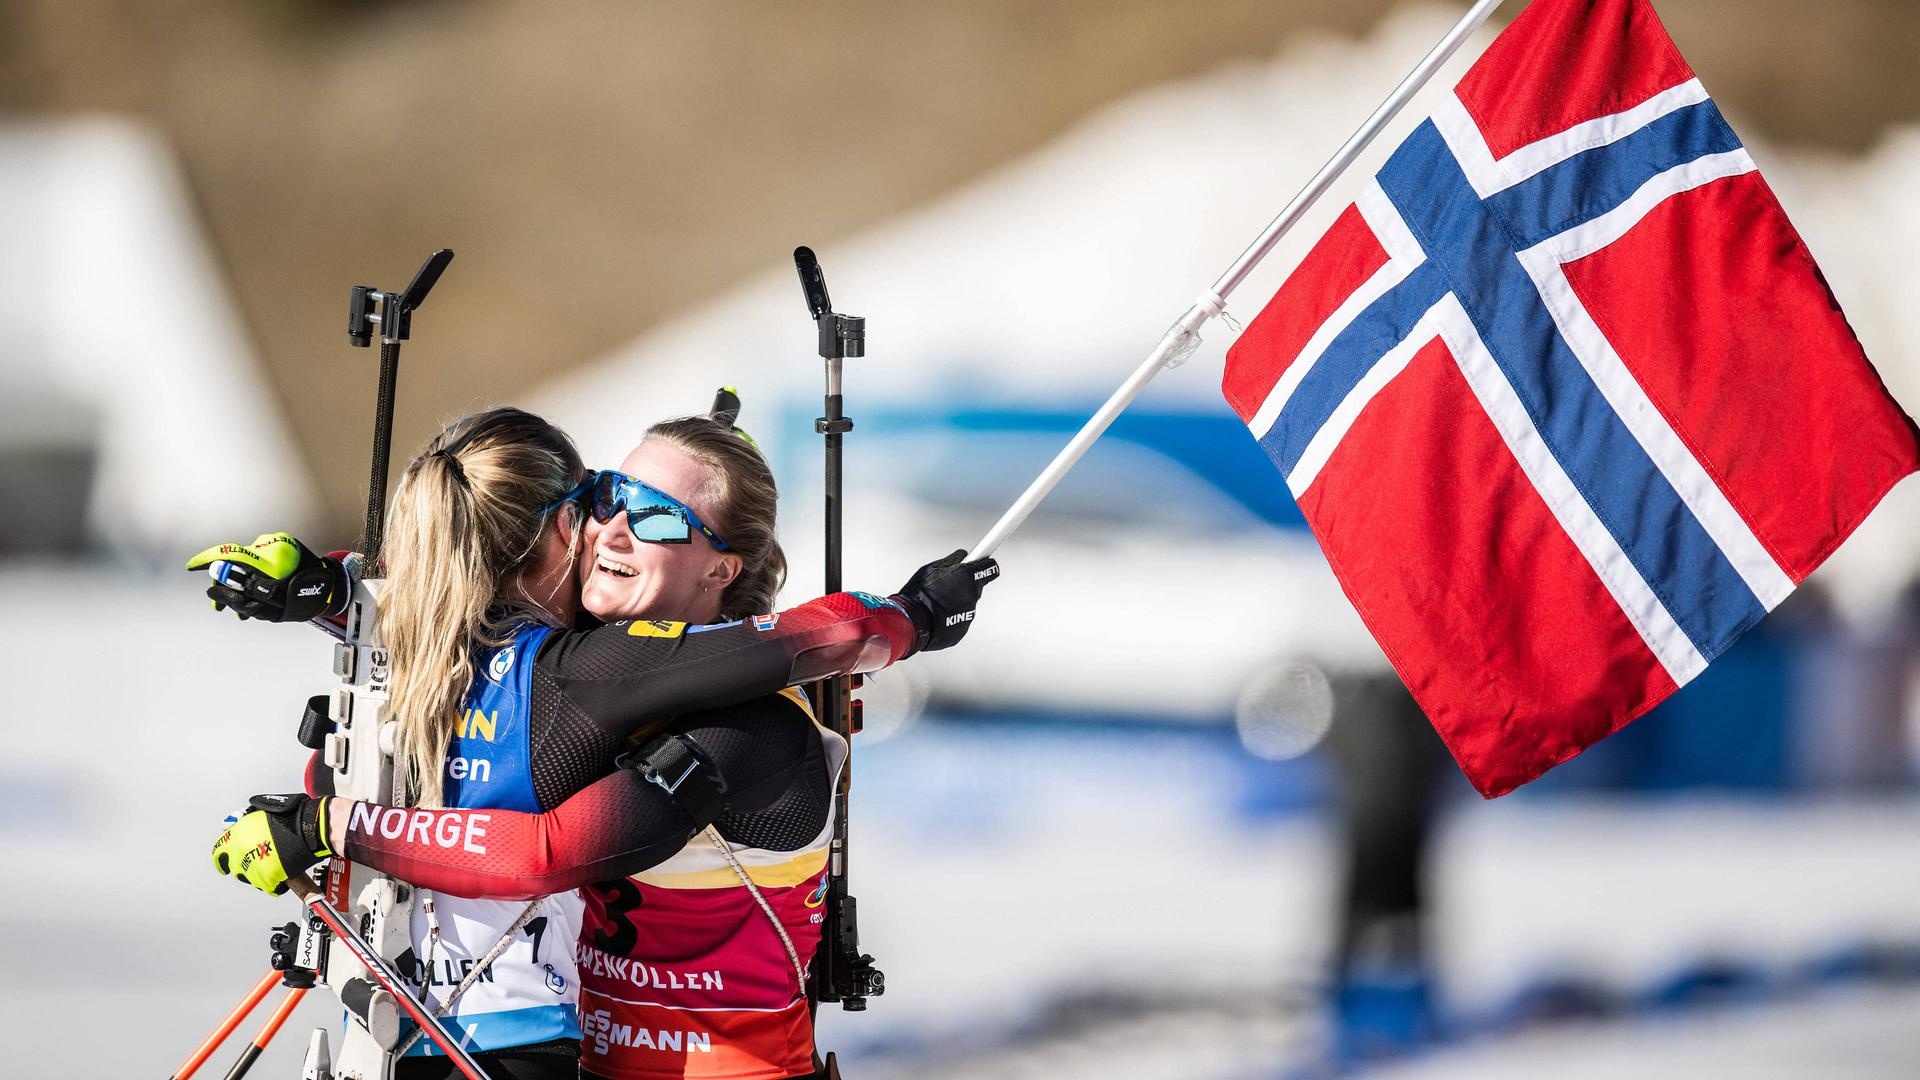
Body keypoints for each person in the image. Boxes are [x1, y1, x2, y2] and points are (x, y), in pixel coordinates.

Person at [202, 405, 997, 1080]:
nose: (613, 527)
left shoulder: (747, 720)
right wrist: (333, 590)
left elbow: (544, 853)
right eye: (609, 497)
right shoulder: (571, 661)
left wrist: (909, 618)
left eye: (654, 516)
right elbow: (459, 594)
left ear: (722, 568)